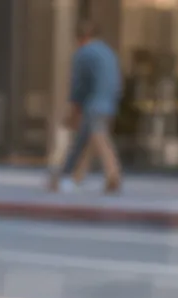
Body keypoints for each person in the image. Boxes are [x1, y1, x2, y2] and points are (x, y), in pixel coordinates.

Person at [46, 20, 124, 194]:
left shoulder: (83, 54)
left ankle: (113, 173)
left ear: (81, 37)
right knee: (87, 142)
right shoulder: (108, 52)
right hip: (109, 103)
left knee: (98, 138)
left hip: (94, 104)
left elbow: (78, 86)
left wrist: (74, 110)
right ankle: (75, 177)